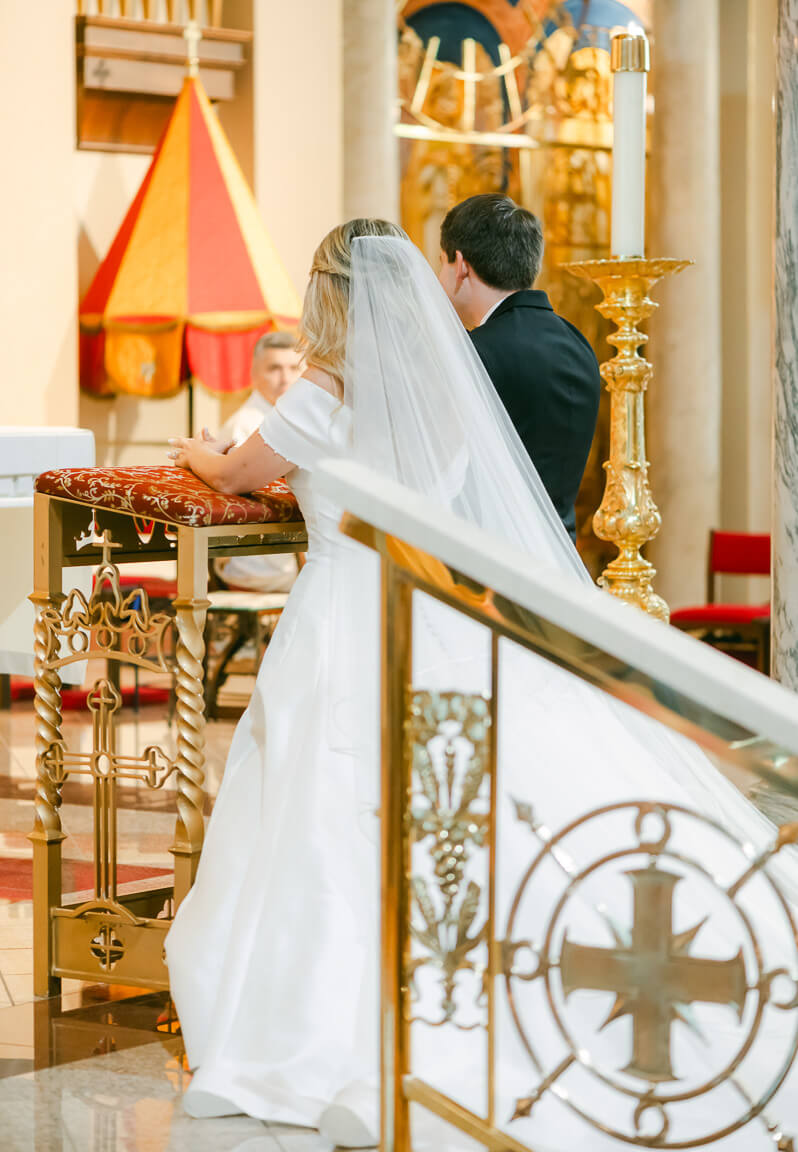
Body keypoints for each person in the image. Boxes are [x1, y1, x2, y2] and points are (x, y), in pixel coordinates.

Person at [164, 221, 798, 1151]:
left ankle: (316, 1024)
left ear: (325, 295)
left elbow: (235, 470)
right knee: (435, 808)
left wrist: (193, 458)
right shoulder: (445, 398)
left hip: (340, 617)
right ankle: (467, 996)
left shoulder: (313, 398)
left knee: (320, 806)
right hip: (430, 622)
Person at [438, 193, 601, 542]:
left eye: (441, 263)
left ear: (461, 265)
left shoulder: (473, 353)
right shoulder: (578, 343)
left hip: (492, 566)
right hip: (562, 555)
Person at [214, 331, 303, 592]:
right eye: (274, 368)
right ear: (254, 374)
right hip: (257, 562)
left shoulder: (287, 418)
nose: (285, 379)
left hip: (287, 555)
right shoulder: (247, 425)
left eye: (294, 368)